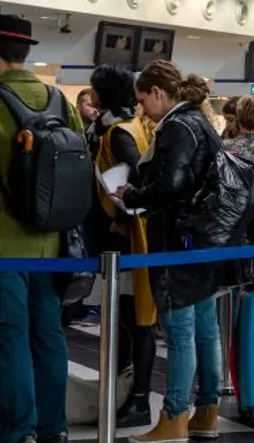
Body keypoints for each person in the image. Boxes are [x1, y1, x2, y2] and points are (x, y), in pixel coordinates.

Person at [0, 15, 80, 443]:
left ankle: (16, 432)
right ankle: (53, 427)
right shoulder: (61, 102)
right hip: (51, 245)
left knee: (7, 338)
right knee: (47, 336)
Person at [122, 61, 224, 443]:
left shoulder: (177, 126)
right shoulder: (201, 122)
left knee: (180, 331)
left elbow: (172, 184)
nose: (142, 108)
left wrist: (133, 196)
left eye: (142, 99)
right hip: (202, 241)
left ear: (158, 93)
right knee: (206, 328)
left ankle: (175, 415)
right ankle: (207, 412)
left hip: (175, 241)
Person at [86, 64, 158, 429]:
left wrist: (123, 218)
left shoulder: (118, 133)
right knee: (127, 319)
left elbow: (135, 174)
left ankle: (139, 398)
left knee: (135, 319)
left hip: (126, 239)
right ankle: (125, 389)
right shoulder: (131, 125)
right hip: (126, 237)